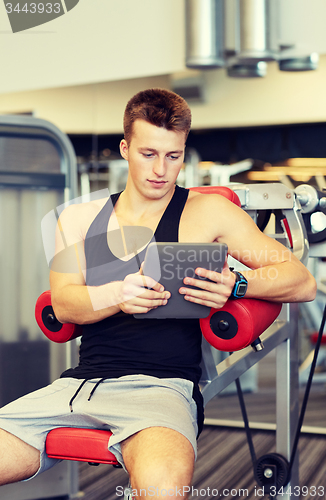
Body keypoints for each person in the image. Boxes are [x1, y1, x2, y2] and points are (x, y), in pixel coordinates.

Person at [0, 88, 316, 497]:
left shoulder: (209, 213)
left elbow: (301, 280)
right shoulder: (79, 218)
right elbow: (63, 302)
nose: (161, 170)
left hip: (160, 390)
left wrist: (238, 284)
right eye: (148, 154)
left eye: (173, 156)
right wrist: (116, 294)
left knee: (164, 490)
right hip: (76, 388)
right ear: (125, 148)